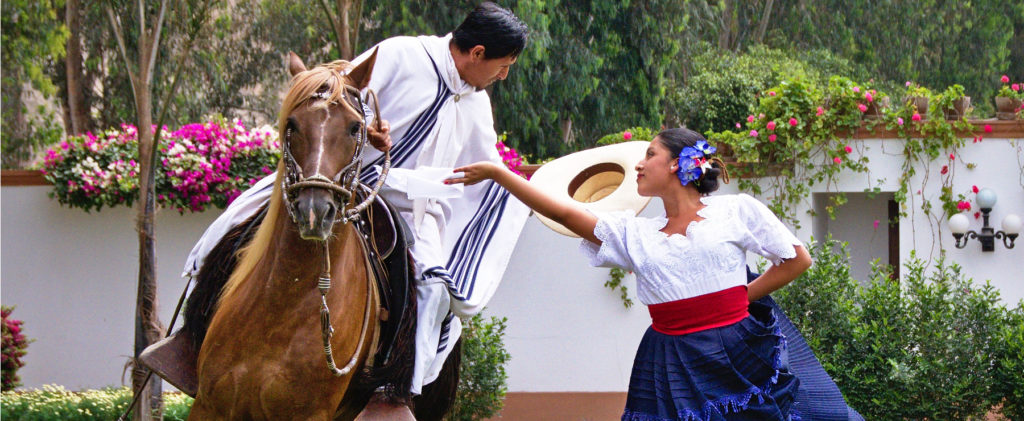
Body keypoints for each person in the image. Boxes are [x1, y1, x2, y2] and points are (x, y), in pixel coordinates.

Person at [178, 2, 531, 417]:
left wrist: (521, 193)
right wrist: (370, 127)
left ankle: (395, 391)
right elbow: (331, 92)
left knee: (433, 286)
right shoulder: (403, 54)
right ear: (477, 54)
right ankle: (189, 340)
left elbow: (483, 167)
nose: (502, 74)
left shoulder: (475, 104)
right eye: (504, 65)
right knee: (228, 229)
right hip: (333, 177)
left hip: (408, 203)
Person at [449, 127, 812, 420]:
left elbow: (797, 259)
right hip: (669, 356)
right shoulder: (633, 233)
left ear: (678, 164)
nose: (638, 164)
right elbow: (563, 214)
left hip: (734, 348)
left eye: (650, 155)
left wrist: (740, 297)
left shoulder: (736, 210)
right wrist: (500, 174)